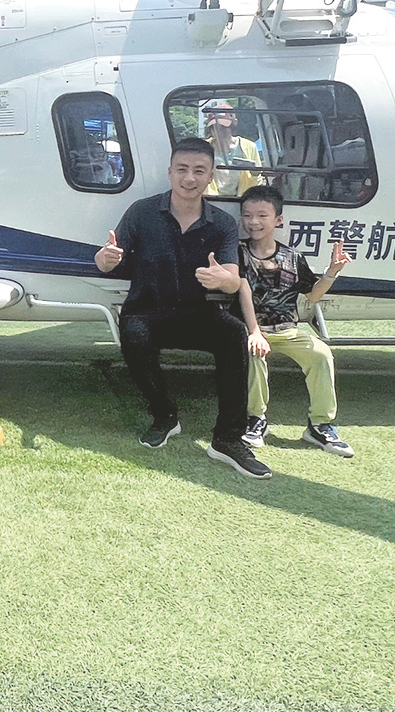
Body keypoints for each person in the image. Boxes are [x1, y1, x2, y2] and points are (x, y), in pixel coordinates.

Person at [95, 139, 267, 478]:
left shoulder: (221, 223)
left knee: (234, 333)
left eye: (199, 171)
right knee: (133, 336)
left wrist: (223, 279)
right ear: (170, 172)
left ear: (210, 176)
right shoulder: (142, 212)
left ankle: (228, 439)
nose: (190, 178)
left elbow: (234, 281)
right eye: (182, 170)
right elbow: (107, 260)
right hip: (146, 310)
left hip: (198, 313)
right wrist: (105, 258)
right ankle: (164, 415)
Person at [236, 186, 353, 458]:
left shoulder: (292, 257)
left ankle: (320, 425)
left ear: (278, 220)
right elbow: (243, 290)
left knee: (321, 354)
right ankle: (256, 419)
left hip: (288, 330)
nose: (253, 222)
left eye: (262, 215)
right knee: (253, 353)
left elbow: (312, 295)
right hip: (252, 329)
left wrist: (332, 272)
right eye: (247, 215)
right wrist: (254, 332)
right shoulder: (237, 252)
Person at [200, 100, 262, 199]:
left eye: (223, 127)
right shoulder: (203, 148)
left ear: (233, 125)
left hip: (242, 200)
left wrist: (255, 173)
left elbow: (258, 180)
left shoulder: (249, 146)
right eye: (215, 127)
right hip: (211, 200)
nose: (219, 132)